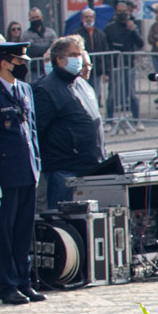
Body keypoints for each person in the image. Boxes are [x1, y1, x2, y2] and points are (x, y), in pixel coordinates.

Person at [0, 41, 44, 305]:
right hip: (4, 176)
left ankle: (24, 282)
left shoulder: (26, 90)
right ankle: (8, 286)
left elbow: (32, 132)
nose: (24, 66)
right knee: (4, 232)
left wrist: (37, 163)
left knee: (23, 231)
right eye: (20, 62)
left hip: (26, 171)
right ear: (5, 63)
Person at [34, 35, 107, 209]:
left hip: (90, 166)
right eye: (74, 55)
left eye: (80, 54)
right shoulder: (46, 89)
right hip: (64, 171)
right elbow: (37, 130)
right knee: (64, 220)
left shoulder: (82, 84)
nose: (79, 59)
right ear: (59, 59)